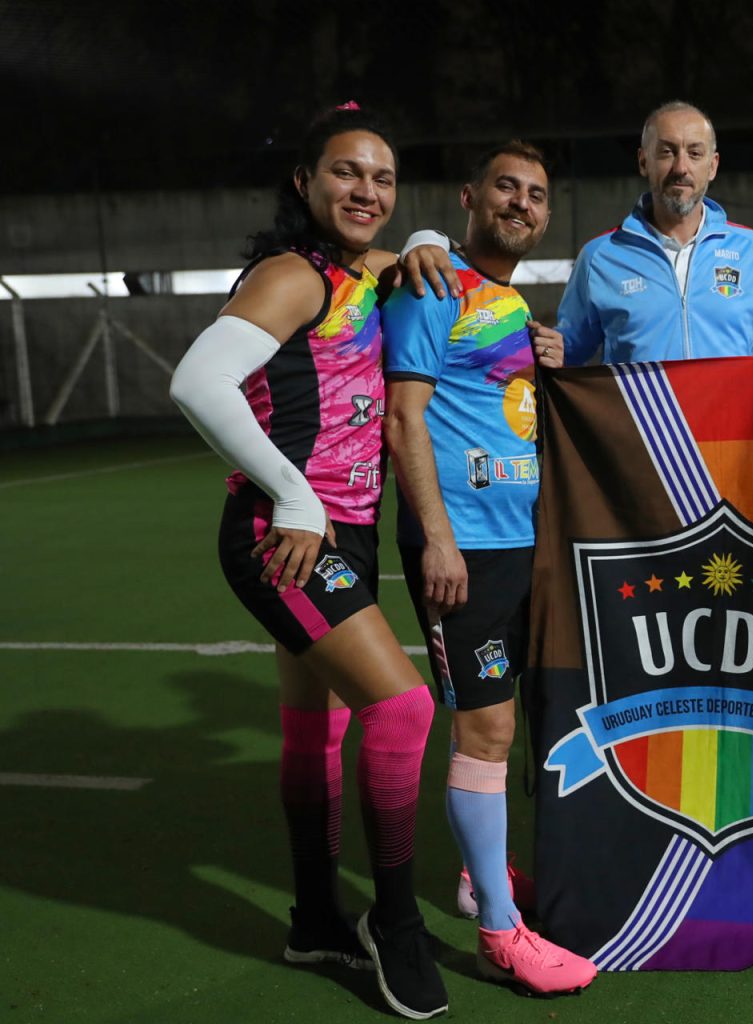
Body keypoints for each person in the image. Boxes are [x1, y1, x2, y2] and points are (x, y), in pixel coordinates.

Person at [168, 104, 448, 1021]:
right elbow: (198, 381)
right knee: (402, 709)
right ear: (304, 183)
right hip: (285, 532)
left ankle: (317, 918)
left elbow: (391, 267)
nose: (366, 190)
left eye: (383, 177)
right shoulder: (293, 274)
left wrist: (425, 240)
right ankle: (394, 926)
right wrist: (292, 493)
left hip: (341, 530)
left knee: (313, 729)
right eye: (345, 173)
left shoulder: (351, 271)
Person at [380, 141, 597, 996]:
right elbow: (405, 417)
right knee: (486, 732)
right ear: (470, 197)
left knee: (502, 724)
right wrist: (435, 538)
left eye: (537, 195)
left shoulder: (504, 299)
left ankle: (484, 877)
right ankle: (503, 937)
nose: (522, 203)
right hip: (459, 548)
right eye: (506, 187)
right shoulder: (431, 284)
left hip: (515, 545)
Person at [557, 100, 753, 363]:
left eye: (694, 154)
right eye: (667, 152)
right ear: (643, 161)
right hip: (641, 407)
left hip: (729, 407)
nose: (681, 168)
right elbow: (564, 359)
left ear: (712, 166)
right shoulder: (599, 257)